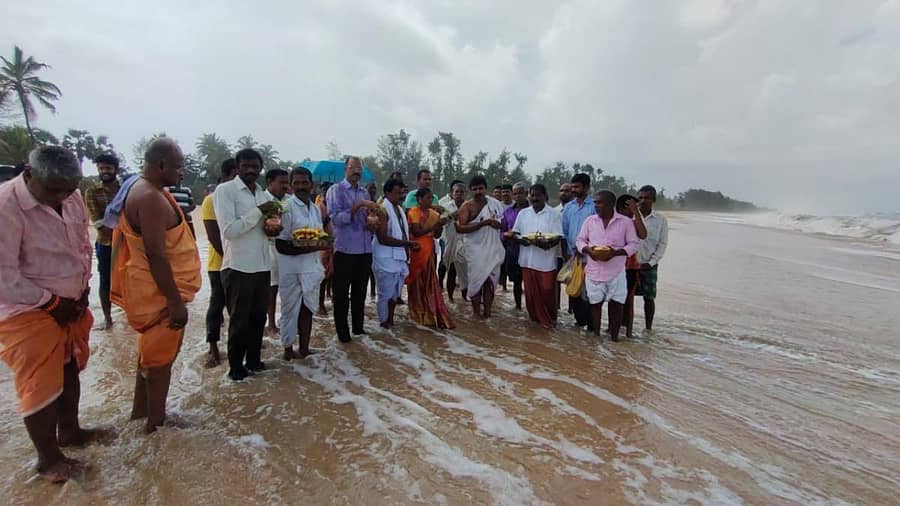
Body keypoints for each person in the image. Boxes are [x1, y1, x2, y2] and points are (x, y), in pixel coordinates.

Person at [0, 146, 104, 483]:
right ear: (29, 175)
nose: (62, 196)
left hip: (69, 305)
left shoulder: (71, 197)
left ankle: (70, 432)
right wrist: (50, 302)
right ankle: (48, 459)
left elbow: (82, 246)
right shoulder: (5, 206)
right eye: (54, 190)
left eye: (68, 189)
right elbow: (4, 276)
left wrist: (83, 287)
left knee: (69, 368)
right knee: (40, 384)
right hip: (24, 309)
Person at [111, 138, 202, 432]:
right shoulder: (149, 196)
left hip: (155, 290)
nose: (182, 172)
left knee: (149, 358)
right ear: (161, 165)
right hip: (159, 295)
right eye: (178, 166)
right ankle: (156, 425)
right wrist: (174, 302)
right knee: (160, 361)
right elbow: (155, 254)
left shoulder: (150, 191)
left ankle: (141, 415)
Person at [214, 148, 281, 381]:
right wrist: (258, 212)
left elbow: (268, 229)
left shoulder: (263, 194)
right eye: (246, 166)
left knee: (258, 318)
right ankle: (235, 368)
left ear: (260, 168)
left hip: (262, 265)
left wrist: (274, 227)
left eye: (255, 166)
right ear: (238, 167)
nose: (251, 170)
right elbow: (230, 231)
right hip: (238, 266)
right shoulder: (225, 191)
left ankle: (253, 360)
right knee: (239, 321)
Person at [275, 167, 329, 360]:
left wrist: (322, 247)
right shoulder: (286, 207)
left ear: (311, 184)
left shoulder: (315, 209)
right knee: (290, 309)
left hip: (312, 267)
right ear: (291, 185)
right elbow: (281, 244)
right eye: (296, 183)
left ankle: (305, 349)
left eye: (304, 182)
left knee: (308, 309)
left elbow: (320, 236)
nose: (300, 186)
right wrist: (309, 248)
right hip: (291, 268)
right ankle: (288, 350)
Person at [575, 190, 639, 342]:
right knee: (595, 305)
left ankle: (614, 340)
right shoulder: (590, 221)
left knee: (616, 305)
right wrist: (589, 251)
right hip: (594, 271)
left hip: (616, 272)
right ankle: (597, 338)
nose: (596, 205)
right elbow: (580, 240)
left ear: (611, 204)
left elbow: (633, 245)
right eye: (595, 202)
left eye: (600, 202)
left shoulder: (625, 222)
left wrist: (615, 253)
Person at [327, 156, 375, 342]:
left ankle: (358, 328)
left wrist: (372, 223)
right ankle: (342, 332)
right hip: (345, 248)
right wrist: (358, 206)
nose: (357, 171)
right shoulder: (336, 190)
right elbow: (336, 219)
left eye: (359, 168)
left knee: (360, 291)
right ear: (345, 169)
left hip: (364, 249)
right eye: (353, 168)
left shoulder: (364, 191)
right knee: (341, 293)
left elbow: (368, 218)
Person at [511, 184, 563, 329]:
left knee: (547, 292)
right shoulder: (523, 213)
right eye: (532, 195)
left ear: (544, 197)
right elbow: (515, 233)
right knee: (530, 295)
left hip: (546, 262)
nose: (534, 198)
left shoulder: (554, 214)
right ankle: (534, 321)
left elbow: (558, 236)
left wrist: (547, 243)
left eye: (538, 195)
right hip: (527, 260)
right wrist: (522, 240)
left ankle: (551, 320)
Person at [200, 159, 235, 368]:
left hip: (239, 263)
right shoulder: (210, 200)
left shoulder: (239, 199)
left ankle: (238, 343)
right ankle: (212, 347)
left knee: (237, 307)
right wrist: (230, 258)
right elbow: (214, 236)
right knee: (217, 304)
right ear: (227, 175)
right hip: (219, 263)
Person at [370, 179, 419, 329]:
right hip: (385, 257)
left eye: (401, 193)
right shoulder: (383, 210)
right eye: (397, 193)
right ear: (387, 193)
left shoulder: (399, 208)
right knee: (385, 294)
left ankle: (390, 321)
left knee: (394, 293)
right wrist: (407, 244)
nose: (400, 196)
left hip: (398, 257)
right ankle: (384, 323)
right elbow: (383, 238)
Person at [456, 175, 505, 318]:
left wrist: (497, 224)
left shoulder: (495, 204)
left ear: (486, 189)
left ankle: (488, 314)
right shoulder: (467, 206)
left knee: (490, 284)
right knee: (476, 283)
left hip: (492, 250)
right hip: (475, 251)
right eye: (475, 189)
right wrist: (482, 224)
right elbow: (460, 228)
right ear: (471, 190)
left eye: (481, 188)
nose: (478, 191)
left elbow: (502, 223)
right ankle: (476, 314)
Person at [407, 188, 455, 329]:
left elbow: (436, 235)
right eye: (428, 198)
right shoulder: (413, 212)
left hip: (429, 249)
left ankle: (430, 312)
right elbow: (416, 232)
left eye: (431, 198)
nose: (430, 201)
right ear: (419, 199)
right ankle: (416, 312)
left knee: (429, 281)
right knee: (416, 282)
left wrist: (440, 225)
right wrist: (435, 225)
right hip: (416, 250)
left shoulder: (434, 214)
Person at [84, 153, 121, 330]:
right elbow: (98, 222)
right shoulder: (92, 192)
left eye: (108, 168)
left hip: (128, 244)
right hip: (106, 244)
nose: (104, 171)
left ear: (115, 169)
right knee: (105, 281)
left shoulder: (126, 189)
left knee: (131, 279)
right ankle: (108, 319)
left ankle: (132, 316)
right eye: (101, 168)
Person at [561, 173, 595, 329]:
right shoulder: (568, 207)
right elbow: (564, 232)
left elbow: (599, 231)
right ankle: (579, 321)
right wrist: (566, 253)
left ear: (586, 187)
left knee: (589, 292)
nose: (574, 190)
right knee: (573, 288)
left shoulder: (594, 206)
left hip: (591, 256)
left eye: (577, 187)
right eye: (572, 186)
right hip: (573, 256)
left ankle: (590, 324)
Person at [636, 185, 668, 334]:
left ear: (653, 200)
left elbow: (662, 244)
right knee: (624, 297)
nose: (643, 201)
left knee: (649, 298)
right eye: (640, 197)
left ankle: (648, 328)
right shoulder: (631, 216)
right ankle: (624, 325)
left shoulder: (660, 220)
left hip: (649, 264)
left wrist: (651, 262)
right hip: (630, 264)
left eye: (647, 198)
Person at [616, 194, 648, 338]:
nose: (637, 210)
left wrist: (636, 214)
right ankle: (614, 328)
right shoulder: (613, 221)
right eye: (634, 207)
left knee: (628, 300)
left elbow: (643, 234)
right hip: (615, 266)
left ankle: (628, 332)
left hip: (630, 267)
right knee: (615, 299)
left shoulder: (633, 222)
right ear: (626, 207)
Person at [264, 168, 290, 337]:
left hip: (287, 247)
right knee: (272, 287)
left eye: (286, 183)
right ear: (270, 183)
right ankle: (271, 323)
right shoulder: (263, 200)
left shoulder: (288, 200)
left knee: (287, 287)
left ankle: (285, 321)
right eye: (281, 183)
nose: (285, 186)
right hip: (269, 247)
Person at [500, 182, 529, 310]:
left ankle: (531, 308)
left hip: (530, 251)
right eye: (515, 193)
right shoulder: (507, 212)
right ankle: (518, 307)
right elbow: (502, 231)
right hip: (513, 250)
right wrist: (506, 235)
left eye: (520, 193)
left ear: (526, 194)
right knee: (517, 282)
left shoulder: (533, 210)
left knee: (529, 283)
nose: (517, 196)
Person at [440, 182, 467, 301]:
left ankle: (464, 297)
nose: (459, 194)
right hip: (450, 241)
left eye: (462, 192)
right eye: (457, 192)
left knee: (464, 271)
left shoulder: (469, 206)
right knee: (451, 270)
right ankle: (450, 298)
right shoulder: (446, 206)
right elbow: (441, 221)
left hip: (465, 242)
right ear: (452, 193)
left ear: (465, 193)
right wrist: (452, 216)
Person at [316, 181, 334, 316]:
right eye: (324, 191)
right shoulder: (319, 207)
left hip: (337, 243)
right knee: (323, 276)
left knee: (333, 274)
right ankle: (320, 304)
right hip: (323, 244)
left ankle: (331, 298)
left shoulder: (335, 205)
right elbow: (317, 227)